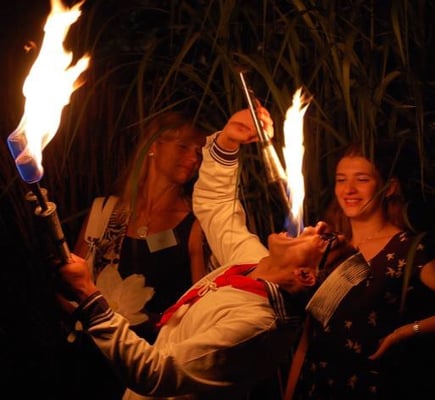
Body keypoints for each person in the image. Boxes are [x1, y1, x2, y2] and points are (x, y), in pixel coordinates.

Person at [56, 106, 350, 400]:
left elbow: (154, 373)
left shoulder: (254, 326)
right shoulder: (253, 265)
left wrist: (88, 296)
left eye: (327, 239)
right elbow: (217, 206)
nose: (320, 225)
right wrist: (228, 142)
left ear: (305, 275)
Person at [70, 111, 211, 399]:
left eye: (199, 151)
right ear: (153, 146)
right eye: (183, 146)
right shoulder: (106, 212)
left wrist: (153, 320)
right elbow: (70, 285)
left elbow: (203, 309)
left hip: (149, 371)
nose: (193, 158)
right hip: (92, 363)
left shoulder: (195, 225)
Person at [288, 142, 435, 399]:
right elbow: (309, 334)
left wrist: (406, 332)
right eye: (341, 179)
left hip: (371, 387)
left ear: (389, 187)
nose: (349, 189)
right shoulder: (328, 247)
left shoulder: (408, 249)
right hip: (315, 385)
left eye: (362, 179)